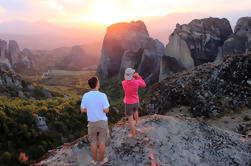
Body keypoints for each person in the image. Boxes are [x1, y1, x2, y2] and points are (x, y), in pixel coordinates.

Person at [80, 76, 110, 165]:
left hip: (92, 122)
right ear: (97, 84)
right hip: (102, 122)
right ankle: (102, 161)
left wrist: (90, 109)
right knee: (102, 142)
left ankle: (95, 161)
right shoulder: (103, 95)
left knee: (93, 142)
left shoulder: (85, 95)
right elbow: (106, 110)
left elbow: (82, 109)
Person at [122, 68, 146, 138]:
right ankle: (136, 123)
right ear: (132, 75)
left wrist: (128, 75)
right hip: (136, 101)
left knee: (130, 119)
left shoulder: (123, 83)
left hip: (128, 103)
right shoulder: (137, 82)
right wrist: (138, 76)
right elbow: (144, 84)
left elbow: (126, 78)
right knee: (135, 111)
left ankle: (133, 134)